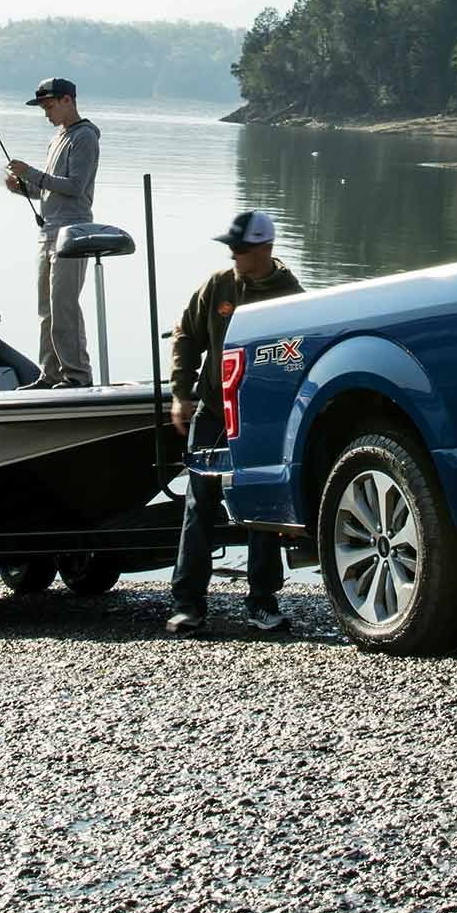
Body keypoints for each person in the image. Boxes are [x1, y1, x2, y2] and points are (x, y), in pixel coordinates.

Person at [166, 209, 304, 635]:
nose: (234, 256)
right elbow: (187, 335)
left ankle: (262, 602)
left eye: (241, 249)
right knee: (199, 501)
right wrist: (180, 392)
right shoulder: (218, 286)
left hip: (261, 415)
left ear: (265, 248)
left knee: (262, 506)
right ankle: (188, 603)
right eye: (230, 248)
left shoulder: (291, 294)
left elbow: (299, 356)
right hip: (211, 408)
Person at [4, 76, 102, 388]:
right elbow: (49, 189)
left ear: (67, 101)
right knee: (46, 310)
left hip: (72, 233)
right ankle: (50, 375)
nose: (46, 113)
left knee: (64, 307)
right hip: (48, 233)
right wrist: (22, 187)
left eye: (49, 106)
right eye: (43, 108)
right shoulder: (57, 138)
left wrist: (31, 173)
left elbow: (75, 187)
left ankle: (77, 376)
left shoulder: (85, 137)